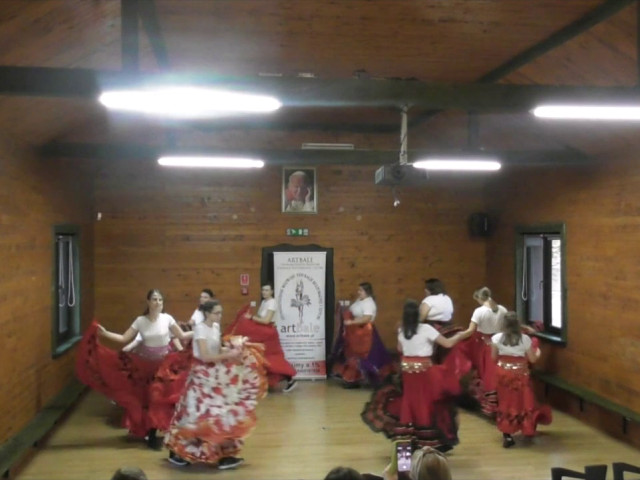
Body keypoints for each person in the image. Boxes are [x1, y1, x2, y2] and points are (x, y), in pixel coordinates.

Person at [75, 289, 193, 449]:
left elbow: (182, 336)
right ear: (148, 302)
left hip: (163, 367)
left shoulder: (167, 319)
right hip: (144, 366)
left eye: (160, 300)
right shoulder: (140, 321)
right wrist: (104, 333)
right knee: (146, 400)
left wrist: (200, 331)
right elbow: (123, 338)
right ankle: (150, 434)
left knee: (158, 399)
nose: (158, 303)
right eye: (154, 299)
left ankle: (155, 432)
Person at [164, 300, 268, 469]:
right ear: (207, 313)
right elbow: (205, 356)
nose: (220, 316)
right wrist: (228, 355)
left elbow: (217, 350)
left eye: (220, 312)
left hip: (214, 375)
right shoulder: (200, 329)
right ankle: (180, 452)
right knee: (198, 417)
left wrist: (235, 350)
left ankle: (223, 455)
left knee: (220, 414)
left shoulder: (215, 327)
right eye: (216, 313)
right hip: (201, 378)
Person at [361, 300, 471, 453]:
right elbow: (447, 344)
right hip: (425, 373)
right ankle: (427, 452)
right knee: (427, 405)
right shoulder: (426, 329)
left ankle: (404, 459)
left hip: (408, 374)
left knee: (410, 405)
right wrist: (460, 336)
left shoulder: (402, 330)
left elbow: (400, 349)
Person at [491, 312, 552, 448]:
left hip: (503, 375)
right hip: (520, 374)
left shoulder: (496, 338)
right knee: (524, 401)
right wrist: (538, 352)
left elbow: (493, 358)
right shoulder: (525, 339)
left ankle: (507, 435)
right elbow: (532, 359)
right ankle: (526, 428)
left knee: (506, 402)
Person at [224, 283, 297, 392]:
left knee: (271, 359)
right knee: (264, 359)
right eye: (263, 290)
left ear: (272, 291)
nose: (264, 292)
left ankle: (289, 379)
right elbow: (259, 319)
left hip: (269, 334)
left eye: (267, 290)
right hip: (264, 333)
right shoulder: (264, 302)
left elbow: (266, 321)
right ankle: (282, 379)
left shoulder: (272, 303)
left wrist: (251, 317)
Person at [456, 287, 507, 417]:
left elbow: (470, 331)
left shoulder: (479, 311)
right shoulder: (502, 309)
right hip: (501, 345)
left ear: (479, 298)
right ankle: (504, 404)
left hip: (486, 345)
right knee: (499, 373)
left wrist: (457, 337)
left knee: (488, 373)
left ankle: (491, 405)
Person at [331, 282, 393, 388]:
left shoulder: (369, 303)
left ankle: (374, 380)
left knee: (366, 356)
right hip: (356, 333)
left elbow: (366, 318)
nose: (358, 292)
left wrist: (352, 322)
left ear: (366, 292)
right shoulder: (359, 300)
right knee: (353, 356)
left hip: (365, 334)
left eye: (361, 290)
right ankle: (353, 379)